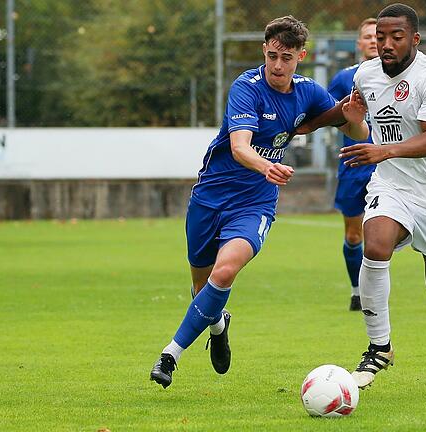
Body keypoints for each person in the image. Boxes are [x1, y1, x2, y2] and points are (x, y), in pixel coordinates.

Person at [149, 15, 368, 389]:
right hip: (210, 196)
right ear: (263, 51)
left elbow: (350, 127)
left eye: (286, 57)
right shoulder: (245, 87)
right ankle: (218, 325)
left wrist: (354, 119)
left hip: (255, 203)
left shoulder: (308, 91)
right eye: (271, 56)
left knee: (224, 272)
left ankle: (170, 354)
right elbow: (239, 148)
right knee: (202, 288)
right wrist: (268, 164)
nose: (277, 66)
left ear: (302, 55)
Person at [298, 3, 426, 393]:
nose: (387, 44)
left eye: (396, 37)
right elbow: (359, 130)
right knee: (374, 246)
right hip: (391, 185)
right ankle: (379, 347)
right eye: (381, 37)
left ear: (415, 38)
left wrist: (384, 150)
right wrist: (355, 119)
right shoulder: (365, 74)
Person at [327, 18, 379, 312]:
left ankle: (374, 289)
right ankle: (357, 291)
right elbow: (328, 113)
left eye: (377, 36)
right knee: (353, 234)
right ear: (358, 43)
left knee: (381, 234)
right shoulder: (343, 78)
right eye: (367, 36)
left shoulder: (396, 77)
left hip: (386, 166)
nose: (373, 40)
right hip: (354, 165)